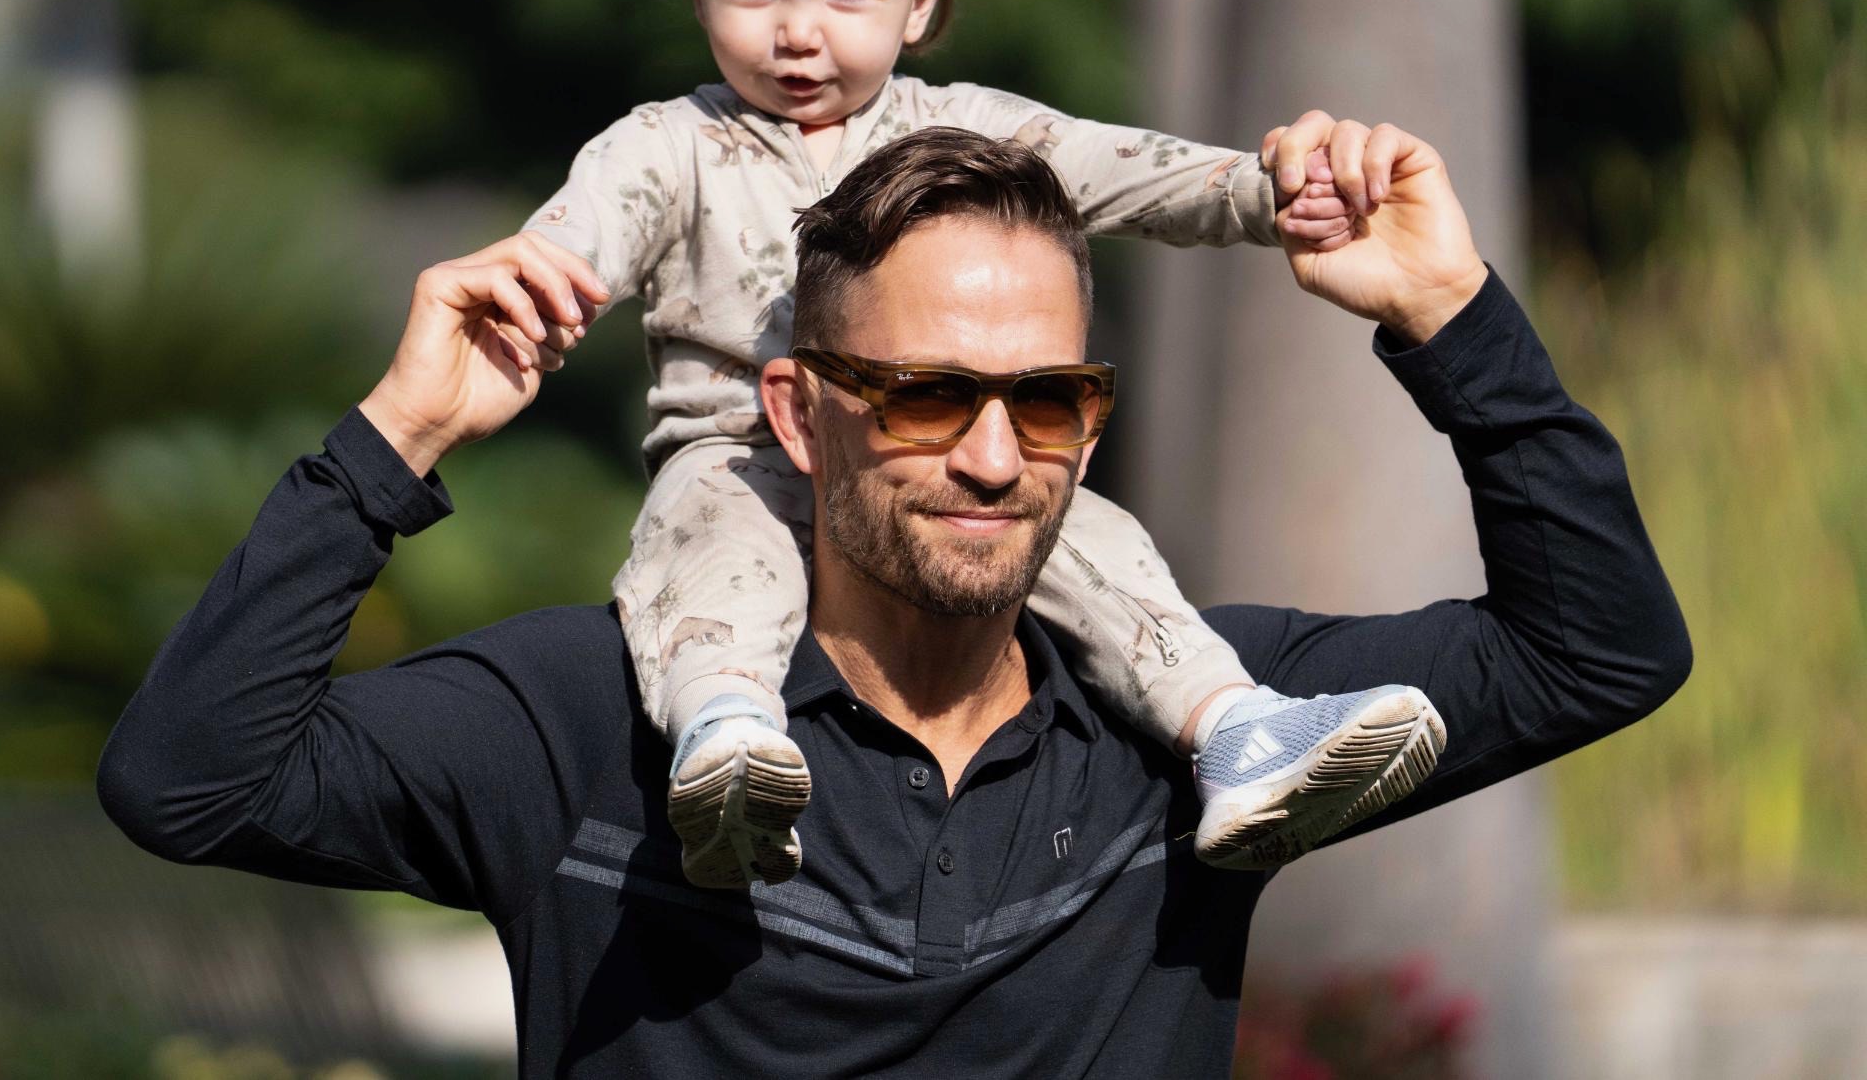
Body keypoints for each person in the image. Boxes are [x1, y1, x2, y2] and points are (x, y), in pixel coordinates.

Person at [97, 119, 1689, 1078]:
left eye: (1047, 399)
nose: (995, 456)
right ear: (796, 414)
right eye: (927, 394)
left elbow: (1602, 646)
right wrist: (398, 437)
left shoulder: (1211, 730)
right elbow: (189, 778)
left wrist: (1451, 313)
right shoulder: (589, 724)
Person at [509, 0, 1441, 889]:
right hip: (740, 455)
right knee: (709, 561)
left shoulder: (965, 136)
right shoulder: (667, 147)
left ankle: (1233, 729)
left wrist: (1268, 191)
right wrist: (537, 282)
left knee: (1096, 543)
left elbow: (1127, 170)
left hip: (937, 451)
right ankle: (728, 746)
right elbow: (580, 238)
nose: (797, 32)